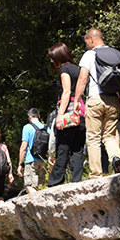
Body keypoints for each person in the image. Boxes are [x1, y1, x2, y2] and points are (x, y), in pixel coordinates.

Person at [73, 28, 120, 177]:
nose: (86, 44)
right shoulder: (115, 54)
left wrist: (77, 100)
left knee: (93, 137)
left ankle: (96, 173)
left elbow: (83, 79)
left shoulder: (90, 54)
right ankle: (116, 158)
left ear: (92, 39)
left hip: (95, 99)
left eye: (86, 41)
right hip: (113, 99)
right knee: (109, 135)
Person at [46, 43, 85, 186]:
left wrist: (60, 115)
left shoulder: (64, 70)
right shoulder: (79, 69)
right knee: (77, 148)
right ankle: (76, 180)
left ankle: (55, 182)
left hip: (68, 111)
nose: (51, 61)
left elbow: (67, 92)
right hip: (80, 110)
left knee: (63, 146)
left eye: (52, 58)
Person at [17, 108, 48, 194]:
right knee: (41, 185)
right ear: (39, 116)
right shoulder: (45, 128)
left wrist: (20, 164)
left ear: (29, 116)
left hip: (31, 160)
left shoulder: (27, 127)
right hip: (43, 160)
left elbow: (23, 147)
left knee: (29, 185)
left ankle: (37, 204)